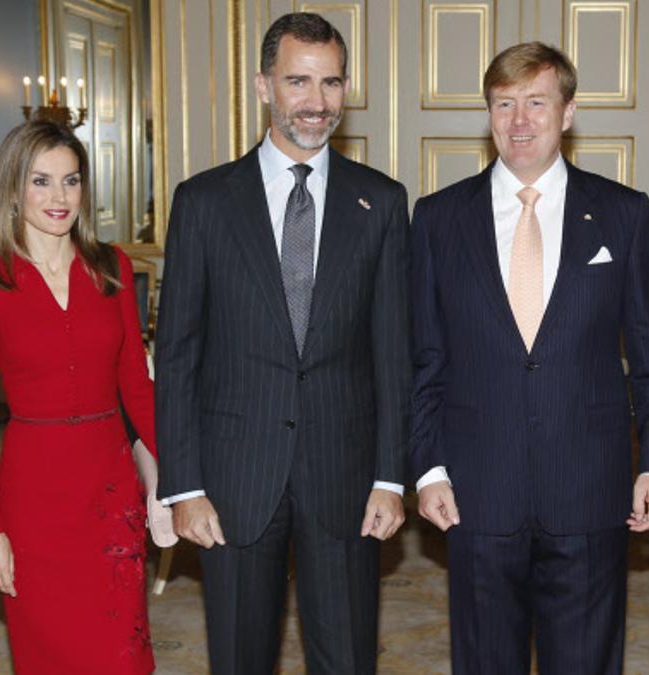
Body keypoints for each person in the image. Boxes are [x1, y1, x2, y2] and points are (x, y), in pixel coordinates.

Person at [410, 42, 649, 674]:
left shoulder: (623, 213)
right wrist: (428, 470)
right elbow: (424, 359)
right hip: (477, 492)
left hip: (590, 489)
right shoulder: (437, 218)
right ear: (488, 114)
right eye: (504, 104)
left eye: (537, 102)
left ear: (567, 113)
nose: (519, 121)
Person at [153, 12, 410, 675]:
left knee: (348, 657)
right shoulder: (204, 202)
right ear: (265, 85)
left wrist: (389, 476)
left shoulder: (380, 203)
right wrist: (183, 486)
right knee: (239, 656)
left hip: (346, 478)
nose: (316, 103)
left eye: (330, 83)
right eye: (299, 81)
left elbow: (392, 351)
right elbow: (178, 355)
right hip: (234, 478)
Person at [0, 119, 157, 674]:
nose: (59, 197)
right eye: (41, 181)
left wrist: (177, 477)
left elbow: (138, 390)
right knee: (48, 653)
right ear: (14, 190)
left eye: (71, 181)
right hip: (33, 496)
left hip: (110, 487)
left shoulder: (110, 267)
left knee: (124, 654)